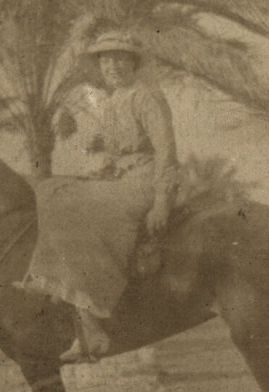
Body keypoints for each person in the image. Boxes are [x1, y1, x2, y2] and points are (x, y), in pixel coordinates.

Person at [16, 30, 179, 363]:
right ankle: (47, 278)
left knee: (71, 208)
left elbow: (166, 152)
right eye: (106, 60)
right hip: (118, 181)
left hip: (145, 183)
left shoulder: (147, 96)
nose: (113, 66)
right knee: (49, 190)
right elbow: (109, 151)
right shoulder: (110, 103)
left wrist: (163, 199)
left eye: (121, 58)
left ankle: (92, 324)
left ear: (133, 63)